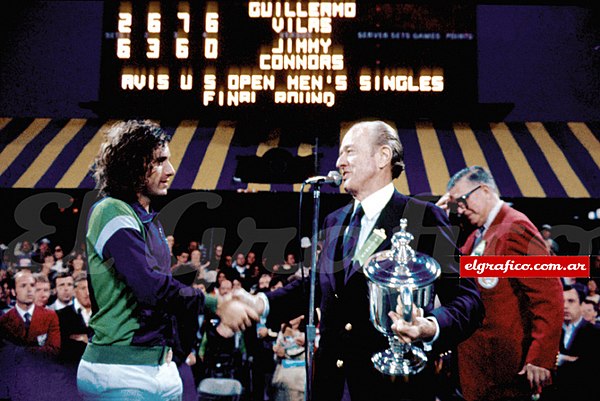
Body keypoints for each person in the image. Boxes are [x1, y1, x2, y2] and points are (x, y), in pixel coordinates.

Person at [235, 120, 484, 401]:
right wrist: (262, 302)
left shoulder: (422, 218)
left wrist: (429, 326)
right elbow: (317, 286)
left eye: (350, 152)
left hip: (392, 388)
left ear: (383, 157)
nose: (340, 162)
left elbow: (469, 302)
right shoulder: (334, 220)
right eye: (341, 153)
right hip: (331, 387)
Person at [77, 120, 258, 400]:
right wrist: (217, 304)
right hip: (119, 370)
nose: (171, 170)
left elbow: (164, 288)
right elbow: (148, 286)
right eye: (160, 161)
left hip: (159, 366)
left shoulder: (150, 220)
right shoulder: (111, 211)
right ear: (133, 165)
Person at [436, 166, 563, 401]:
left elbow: (549, 294)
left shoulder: (515, 227)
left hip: (505, 370)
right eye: (456, 205)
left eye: (462, 201)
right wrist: (440, 217)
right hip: (480, 369)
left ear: (484, 190)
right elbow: (453, 277)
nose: (460, 209)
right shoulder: (477, 235)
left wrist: (540, 358)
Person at [549, 285, 600, 400]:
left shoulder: (595, 333)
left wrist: (564, 360)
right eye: (562, 301)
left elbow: (593, 367)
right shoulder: (551, 332)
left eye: (571, 301)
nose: (565, 306)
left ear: (581, 305)